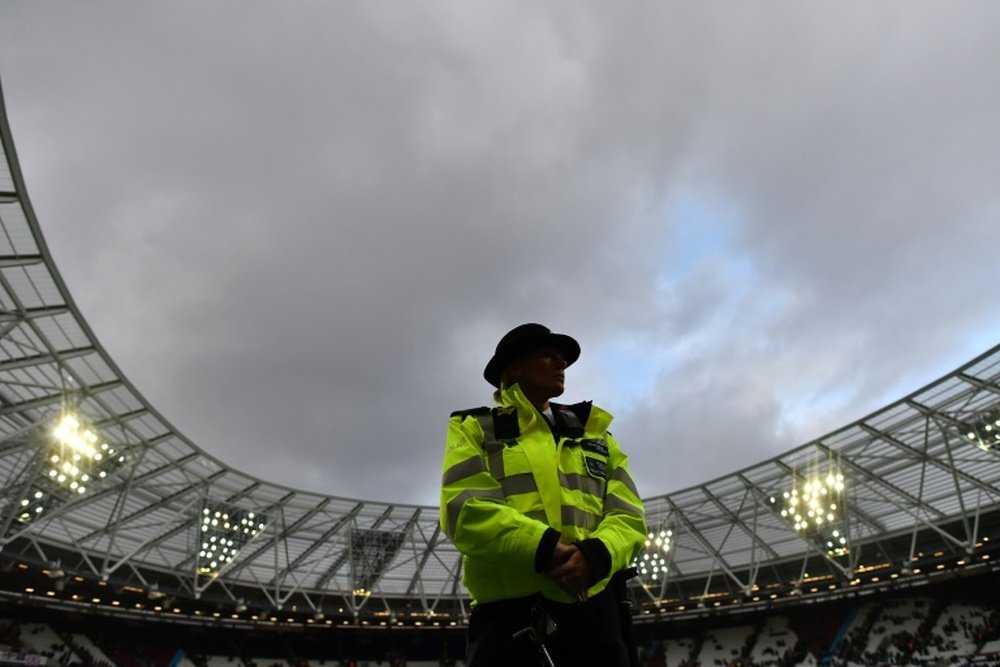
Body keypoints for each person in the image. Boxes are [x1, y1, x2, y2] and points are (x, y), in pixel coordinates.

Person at [440, 323, 647, 666]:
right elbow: (465, 510)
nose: (560, 363)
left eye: (562, 358)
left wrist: (596, 554)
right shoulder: (475, 427)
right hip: (510, 619)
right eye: (547, 355)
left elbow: (630, 515)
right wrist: (547, 550)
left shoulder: (596, 434)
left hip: (597, 614)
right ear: (515, 367)